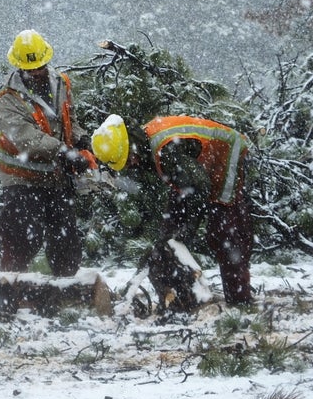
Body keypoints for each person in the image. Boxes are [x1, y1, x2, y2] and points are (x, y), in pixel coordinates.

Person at [92, 114, 254, 307]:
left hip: (228, 153)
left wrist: (189, 227)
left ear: (130, 145)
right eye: (127, 163)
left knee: (224, 231)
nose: (132, 164)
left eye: (130, 159)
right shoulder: (145, 145)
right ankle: (176, 297)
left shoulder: (165, 150)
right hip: (199, 170)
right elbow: (184, 184)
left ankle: (240, 300)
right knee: (169, 230)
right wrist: (168, 234)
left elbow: (199, 186)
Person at [0, 29, 95, 277]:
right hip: (21, 178)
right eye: (31, 69)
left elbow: (69, 120)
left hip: (55, 176)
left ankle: (66, 287)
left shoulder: (61, 83)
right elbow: (25, 137)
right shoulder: (8, 98)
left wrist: (82, 141)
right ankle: (10, 288)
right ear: (19, 67)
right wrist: (63, 152)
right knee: (23, 236)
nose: (37, 72)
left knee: (66, 237)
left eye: (40, 67)